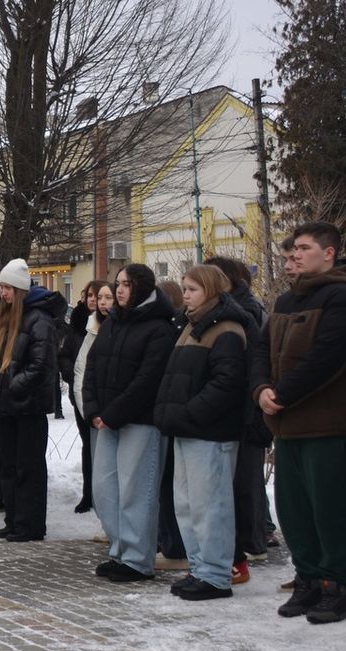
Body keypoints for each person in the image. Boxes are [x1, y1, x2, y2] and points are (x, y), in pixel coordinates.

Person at [250, 222, 346, 624]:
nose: (294, 256)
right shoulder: (285, 302)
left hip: (329, 424)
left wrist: (282, 394)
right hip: (288, 425)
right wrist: (262, 388)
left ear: (329, 253)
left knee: (328, 508)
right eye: (291, 251)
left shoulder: (342, 298)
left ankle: (336, 586)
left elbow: (328, 358)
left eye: (302, 248)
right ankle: (308, 579)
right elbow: (262, 351)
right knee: (294, 509)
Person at [152, 265, 250, 600]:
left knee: (211, 506)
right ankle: (199, 568)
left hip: (210, 433)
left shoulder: (225, 328)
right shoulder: (192, 325)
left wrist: (190, 413)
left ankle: (215, 574)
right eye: (185, 288)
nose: (186, 294)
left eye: (192, 288)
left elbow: (227, 383)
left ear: (209, 290)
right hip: (187, 430)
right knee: (188, 504)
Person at [84, 270, 175, 577]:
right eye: (117, 284)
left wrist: (113, 413)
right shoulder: (114, 323)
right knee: (105, 488)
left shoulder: (159, 328)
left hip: (140, 421)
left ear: (141, 288)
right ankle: (119, 549)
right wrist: (94, 408)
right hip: (107, 421)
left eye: (126, 285)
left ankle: (137, 558)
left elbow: (148, 380)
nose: (119, 290)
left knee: (137, 490)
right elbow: (93, 367)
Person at [0, 259, 65, 542]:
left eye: (8, 288)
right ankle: (14, 519)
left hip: (27, 407)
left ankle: (30, 524)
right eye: (2, 287)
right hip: (6, 407)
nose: (3, 293)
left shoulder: (38, 319)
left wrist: (12, 387)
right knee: (7, 466)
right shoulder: (7, 317)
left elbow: (41, 365)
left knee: (27, 468)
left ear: (19, 290)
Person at [209, 255, 272, 570]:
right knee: (243, 478)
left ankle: (253, 540)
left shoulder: (244, 313)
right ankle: (255, 536)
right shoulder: (238, 308)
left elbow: (251, 362)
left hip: (247, 405)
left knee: (247, 478)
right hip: (242, 404)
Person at [60, 284, 104, 515]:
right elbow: (65, 355)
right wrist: (71, 375)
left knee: (101, 448)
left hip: (99, 395)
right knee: (87, 445)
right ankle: (88, 494)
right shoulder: (76, 324)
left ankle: (100, 495)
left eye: (99, 296)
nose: (94, 300)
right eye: (90, 295)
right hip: (79, 394)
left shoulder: (107, 324)